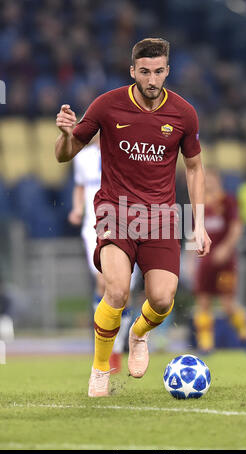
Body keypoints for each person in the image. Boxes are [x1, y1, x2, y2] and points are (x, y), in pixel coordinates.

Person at [55, 38, 211, 397]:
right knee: (116, 290)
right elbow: (64, 155)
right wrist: (66, 135)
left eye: (158, 72)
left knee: (161, 298)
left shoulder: (184, 113)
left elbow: (195, 168)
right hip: (116, 211)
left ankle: (138, 333)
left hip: (160, 217)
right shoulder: (107, 106)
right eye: (145, 72)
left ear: (167, 71)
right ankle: (99, 370)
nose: (152, 79)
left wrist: (198, 223)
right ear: (132, 72)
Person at [68, 136, 136, 373]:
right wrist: (77, 209)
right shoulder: (84, 157)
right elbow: (80, 186)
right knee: (104, 281)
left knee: (121, 292)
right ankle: (103, 349)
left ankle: (116, 350)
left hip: (125, 223)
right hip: (94, 226)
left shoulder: (126, 151)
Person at [193, 168, 246, 353]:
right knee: (203, 302)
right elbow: (193, 233)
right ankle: (206, 345)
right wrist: (191, 260)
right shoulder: (199, 204)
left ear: (219, 180)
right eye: (206, 179)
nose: (209, 183)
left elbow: (237, 227)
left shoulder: (228, 201)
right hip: (205, 261)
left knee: (227, 303)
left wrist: (226, 248)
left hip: (225, 261)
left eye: (211, 179)